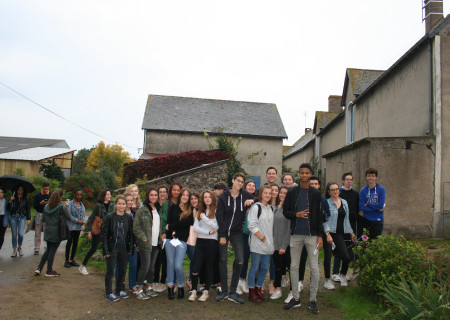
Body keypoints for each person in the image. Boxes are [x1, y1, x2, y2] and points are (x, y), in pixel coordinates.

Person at [283, 163, 323, 314]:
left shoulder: (316, 193)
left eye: (307, 173)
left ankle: (313, 300)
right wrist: (296, 215)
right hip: (296, 235)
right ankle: (296, 298)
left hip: (312, 236)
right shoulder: (292, 192)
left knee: (314, 268)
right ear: (299, 174)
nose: (304, 175)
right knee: (293, 267)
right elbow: (286, 211)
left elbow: (320, 216)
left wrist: (320, 236)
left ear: (310, 174)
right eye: (302, 173)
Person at [216, 172, 255, 304]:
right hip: (223, 232)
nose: (239, 183)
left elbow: (260, 199)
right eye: (237, 181)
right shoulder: (223, 197)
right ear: (232, 181)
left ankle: (233, 291)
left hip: (236, 232)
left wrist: (253, 200)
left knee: (240, 259)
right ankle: (224, 291)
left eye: (241, 182)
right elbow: (219, 217)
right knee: (223, 260)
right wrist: (222, 235)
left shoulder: (244, 195)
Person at [34, 189, 78, 277]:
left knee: (48, 251)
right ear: (60, 197)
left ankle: (39, 268)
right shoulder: (61, 207)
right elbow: (69, 217)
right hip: (57, 232)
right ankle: (49, 270)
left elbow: (44, 219)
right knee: (52, 251)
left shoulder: (46, 207)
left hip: (48, 231)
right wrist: (67, 206)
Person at [324, 182, 357, 287]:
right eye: (332, 190)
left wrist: (351, 232)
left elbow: (346, 219)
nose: (335, 191)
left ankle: (342, 274)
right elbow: (323, 220)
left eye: (337, 189)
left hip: (339, 234)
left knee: (346, 256)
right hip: (329, 233)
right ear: (329, 192)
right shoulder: (326, 203)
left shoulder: (344, 202)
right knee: (328, 257)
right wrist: (327, 233)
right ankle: (327, 280)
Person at [188, 190, 219, 302]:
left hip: (212, 242)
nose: (207, 199)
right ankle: (194, 291)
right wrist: (207, 232)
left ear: (212, 198)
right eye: (205, 197)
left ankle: (206, 291)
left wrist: (205, 218)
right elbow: (196, 228)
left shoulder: (215, 211)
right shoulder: (199, 211)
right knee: (196, 266)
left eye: (209, 197)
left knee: (209, 266)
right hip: (200, 240)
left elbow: (216, 226)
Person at [103, 195, 134, 302]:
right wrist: (105, 250)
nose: (121, 206)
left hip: (124, 248)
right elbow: (105, 234)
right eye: (119, 203)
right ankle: (108, 292)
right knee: (110, 271)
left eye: (123, 204)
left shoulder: (128, 217)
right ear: (115, 204)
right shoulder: (109, 217)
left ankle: (119, 290)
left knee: (122, 269)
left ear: (126, 205)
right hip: (112, 248)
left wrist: (130, 248)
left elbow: (130, 234)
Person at [247, 186, 274, 303]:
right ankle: (251, 291)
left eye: (270, 193)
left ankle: (258, 289)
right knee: (254, 267)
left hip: (268, 244)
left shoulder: (271, 209)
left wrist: (270, 241)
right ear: (261, 194)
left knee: (264, 268)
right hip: (257, 243)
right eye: (265, 193)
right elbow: (251, 225)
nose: (268, 195)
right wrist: (261, 237)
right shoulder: (256, 207)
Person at [166, 188, 193, 300]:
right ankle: (170, 287)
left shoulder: (190, 210)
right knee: (170, 264)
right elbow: (168, 224)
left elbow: (187, 224)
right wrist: (172, 228)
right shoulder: (173, 208)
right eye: (183, 195)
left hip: (182, 240)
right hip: (169, 240)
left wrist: (173, 227)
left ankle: (181, 286)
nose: (185, 197)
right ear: (180, 196)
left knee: (178, 265)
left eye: (187, 195)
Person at [332, 172, 360, 283]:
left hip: (351, 225)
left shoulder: (355, 194)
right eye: (347, 179)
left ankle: (344, 273)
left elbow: (356, 209)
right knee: (339, 249)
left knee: (349, 249)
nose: (349, 181)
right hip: (340, 224)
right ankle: (335, 273)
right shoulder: (339, 192)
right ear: (343, 180)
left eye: (351, 179)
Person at [134, 187, 160, 300]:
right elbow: (136, 227)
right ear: (147, 196)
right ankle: (139, 289)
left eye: (155, 195)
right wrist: (143, 238)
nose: (154, 197)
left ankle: (149, 287)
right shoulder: (142, 209)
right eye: (151, 195)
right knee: (145, 266)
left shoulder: (158, 208)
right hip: (146, 243)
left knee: (152, 267)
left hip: (156, 242)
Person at [79, 189, 113, 275]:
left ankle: (109, 269)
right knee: (93, 248)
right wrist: (89, 231)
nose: (109, 196)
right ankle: (83, 266)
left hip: (108, 231)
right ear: (104, 196)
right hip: (99, 230)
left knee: (109, 249)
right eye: (108, 194)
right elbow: (91, 218)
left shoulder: (112, 205)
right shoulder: (98, 206)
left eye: (110, 194)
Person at [236, 179, 258, 294]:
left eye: (253, 186)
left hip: (254, 234)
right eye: (249, 185)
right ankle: (239, 281)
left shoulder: (257, 200)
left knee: (252, 258)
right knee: (242, 257)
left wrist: (253, 200)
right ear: (245, 187)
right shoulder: (241, 198)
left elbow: (258, 199)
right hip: (242, 233)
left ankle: (246, 281)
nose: (251, 187)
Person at [270, 186, 290, 300]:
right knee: (278, 267)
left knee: (289, 267)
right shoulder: (275, 207)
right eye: (281, 193)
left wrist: (284, 245)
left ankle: (293, 291)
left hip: (285, 244)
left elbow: (290, 229)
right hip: (275, 244)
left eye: (285, 193)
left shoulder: (289, 209)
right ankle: (278, 289)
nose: (282, 195)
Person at [116, 193, 138, 293]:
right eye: (127, 201)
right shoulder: (119, 214)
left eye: (131, 201)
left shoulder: (135, 212)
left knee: (133, 265)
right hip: (121, 244)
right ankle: (120, 284)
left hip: (133, 243)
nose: (129, 202)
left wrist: (137, 243)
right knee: (120, 266)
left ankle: (132, 284)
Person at [359, 168, 386, 239]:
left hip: (378, 220)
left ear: (376, 177)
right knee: (365, 243)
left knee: (376, 243)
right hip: (366, 220)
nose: (371, 177)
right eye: (369, 176)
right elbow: (361, 207)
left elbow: (380, 204)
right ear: (366, 177)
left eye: (373, 176)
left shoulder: (381, 189)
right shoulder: (363, 191)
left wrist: (368, 205)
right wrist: (377, 208)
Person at [152, 185, 169, 293]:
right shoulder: (154, 205)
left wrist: (166, 233)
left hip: (166, 236)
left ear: (167, 194)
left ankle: (163, 281)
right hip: (155, 236)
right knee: (156, 259)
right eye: (160, 192)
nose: (162, 194)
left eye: (164, 192)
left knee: (165, 259)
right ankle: (155, 280)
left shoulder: (169, 205)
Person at [8, 185, 31, 257]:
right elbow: (7, 209)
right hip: (14, 217)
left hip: (22, 217)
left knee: (20, 234)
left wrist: (28, 219)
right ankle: (14, 250)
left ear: (23, 191)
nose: (20, 191)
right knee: (14, 235)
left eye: (21, 190)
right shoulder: (13, 198)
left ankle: (19, 247)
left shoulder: (25, 199)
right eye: (19, 189)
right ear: (16, 190)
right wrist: (10, 201)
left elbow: (28, 209)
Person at [65, 189, 86, 268]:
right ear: (75, 195)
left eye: (80, 195)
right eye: (77, 195)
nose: (79, 196)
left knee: (75, 243)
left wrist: (82, 221)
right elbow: (69, 215)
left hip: (78, 227)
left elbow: (83, 214)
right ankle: (66, 260)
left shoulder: (81, 204)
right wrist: (77, 221)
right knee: (69, 242)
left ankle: (72, 259)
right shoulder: (70, 204)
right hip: (71, 226)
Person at [185, 192, 199, 290]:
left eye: (195, 198)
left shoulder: (202, 210)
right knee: (194, 260)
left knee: (198, 261)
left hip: (200, 238)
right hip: (190, 238)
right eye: (192, 199)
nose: (194, 201)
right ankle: (191, 281)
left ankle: (195, 281)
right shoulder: (187, 211)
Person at [33, 182, 52, 255]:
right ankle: (37, 248)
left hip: (47, 214)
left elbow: (53, 204)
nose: (45, 191)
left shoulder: (51, 194)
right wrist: (40, 203)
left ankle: (46, 247)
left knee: (46, 231)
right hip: (39, 214)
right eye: (44, 189)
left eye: (46, 189)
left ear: (49, 188)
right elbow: (34, 206)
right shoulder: (37, 195)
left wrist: (48, 203)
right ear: (42, 187)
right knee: (37, 232)